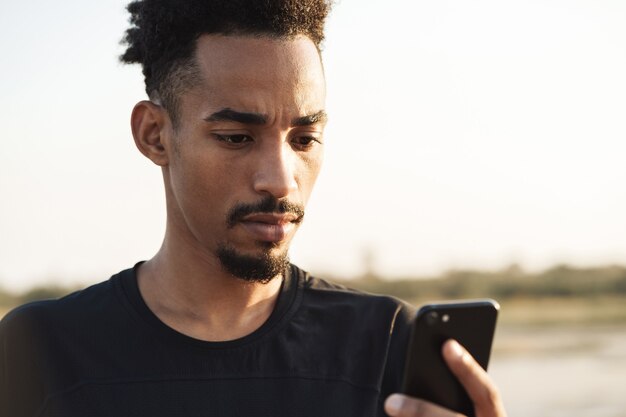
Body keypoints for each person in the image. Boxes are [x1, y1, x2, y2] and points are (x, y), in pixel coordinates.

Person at [0, 1, 507, 416]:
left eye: (304, 138)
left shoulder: (386, 346)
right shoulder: (39, 350)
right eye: (237, 137)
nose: (281, 180)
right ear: (155, 135)